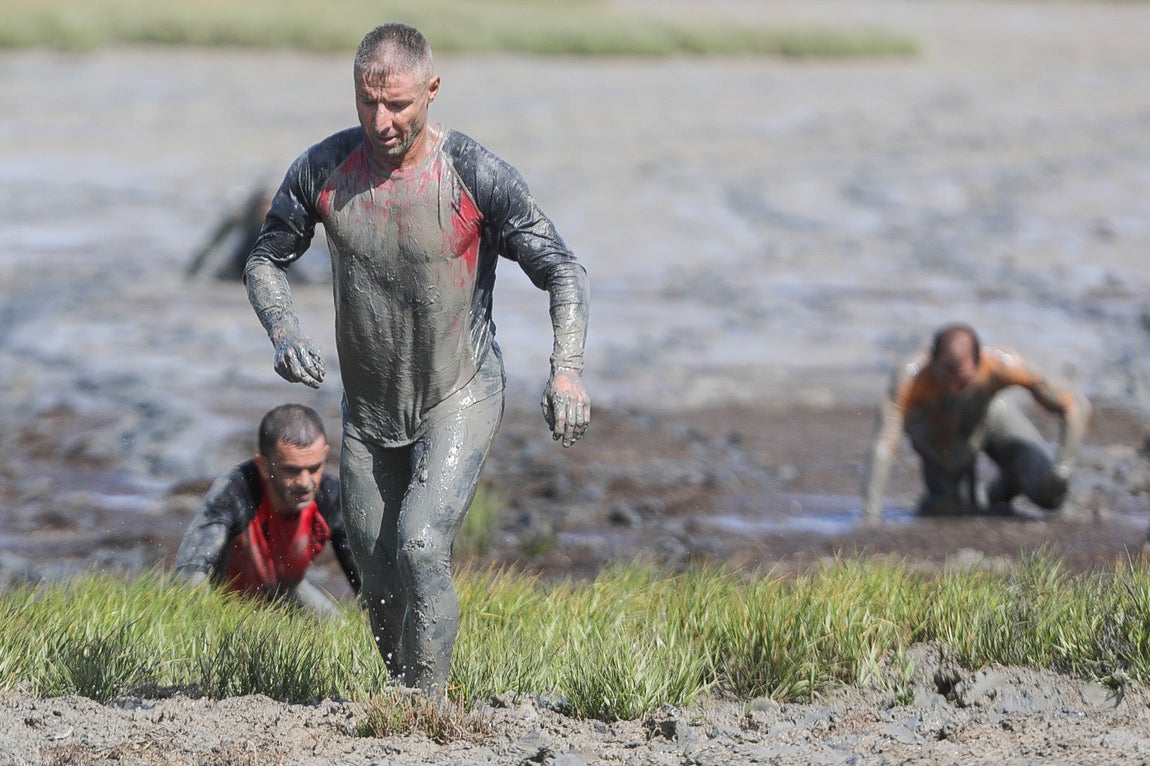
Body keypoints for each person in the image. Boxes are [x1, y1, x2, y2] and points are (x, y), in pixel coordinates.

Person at [242, 23, 590, 693]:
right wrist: (283, 331)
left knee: (422, 545)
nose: (381, 121)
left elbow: (564, 270)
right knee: (376, 574)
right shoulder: (324, 169)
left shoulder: (474, 173)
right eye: (367, 102)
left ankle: (429, 714)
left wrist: (566, 367)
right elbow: (265, 259)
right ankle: (405, 697)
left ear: (432, 91)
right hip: (369, 414)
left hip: (459, 393)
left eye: (398, 104)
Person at [862, 322, 1091, 523]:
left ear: (979, 361)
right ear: (932, 359)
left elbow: (1074, 406)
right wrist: (871, 514)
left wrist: (1063, 467)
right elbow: (885, 440)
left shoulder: (1002, 365)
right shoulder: (911, 377)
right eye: (945, 378)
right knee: (952, 511)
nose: (952, 389)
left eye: (961, 380)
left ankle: (1005, 486)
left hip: (991, 415)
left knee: (1051, 493)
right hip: (937, 430)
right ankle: (948, 489)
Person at [174, 404, 360, 617]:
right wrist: (200, 623)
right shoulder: (236, 490)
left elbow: (368, 584)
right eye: (291, 470)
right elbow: (190, 572)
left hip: (287, 590)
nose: (305, 483)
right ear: (263, 464)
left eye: (314, 468)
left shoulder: (331, 497)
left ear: (325, 454)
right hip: (222, 596)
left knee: (339, 626)